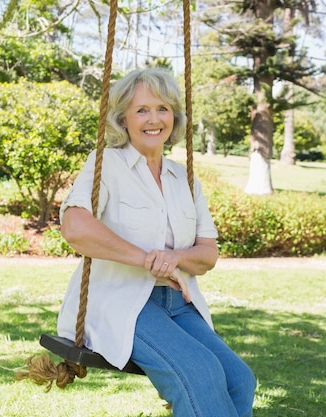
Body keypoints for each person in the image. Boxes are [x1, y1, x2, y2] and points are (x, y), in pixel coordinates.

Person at [57, 68, 256, 417]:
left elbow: (207, 255)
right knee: (200, 373)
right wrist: (147, 258)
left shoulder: (185, 178)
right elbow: (75, 227)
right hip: (123, 301)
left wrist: (174, 257)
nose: (154, 119)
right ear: (123, 119)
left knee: (240, 379)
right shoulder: (106, 164)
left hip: (178, 303)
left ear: (174, 116)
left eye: (162, 108)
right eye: (142, 110)